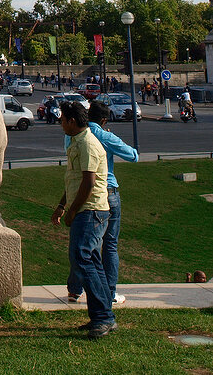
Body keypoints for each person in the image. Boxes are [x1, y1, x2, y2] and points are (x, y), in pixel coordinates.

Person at [65, 100, 138, 307]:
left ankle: (75, 290)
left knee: (84, 246)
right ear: (104, 120)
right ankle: (109, 292)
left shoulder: (74, 135)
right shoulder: (104, 136)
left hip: (79, 191)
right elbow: (133, 156)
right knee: (109, 246)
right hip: (105, 192)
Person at [51, 100, 114, 338]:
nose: (60, 124)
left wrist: (72, 212)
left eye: (62, 120)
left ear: (72, 121)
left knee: (81, 257)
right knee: (90, 262)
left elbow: (88, 183)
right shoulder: (77, 142)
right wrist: (61, 206)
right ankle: (102, 315)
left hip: (92, 211)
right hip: (87, 210)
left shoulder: (87, 143)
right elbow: (74, 181)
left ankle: (103, 317)